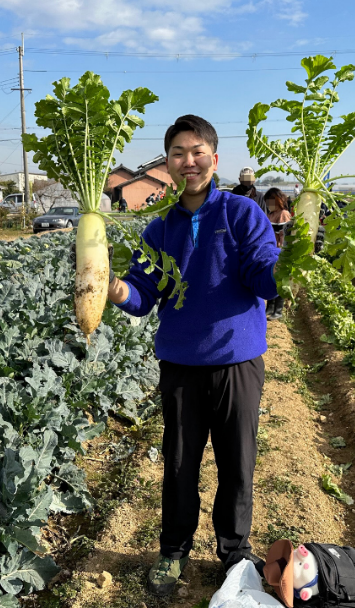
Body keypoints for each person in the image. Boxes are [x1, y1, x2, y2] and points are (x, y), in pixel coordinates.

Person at [107, 115, 279, 596]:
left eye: (197, 151)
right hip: (181, 363)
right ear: (167, 164)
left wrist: (289, 265)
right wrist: (114, 287)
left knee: (236, 461)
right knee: (180, 461)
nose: (189, 161)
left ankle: (234, 553)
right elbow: (143, 296)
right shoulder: (160, 229)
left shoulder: (242, 215)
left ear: (215, 159)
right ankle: (173, 551)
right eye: (179, 153)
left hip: (237, 361)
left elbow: (262, 276)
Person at [265, 187, 292, 320]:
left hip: (280, 251)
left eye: (270, 202)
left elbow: (286, 236)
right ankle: (270, 308)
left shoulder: (283, 214)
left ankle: (278, 310)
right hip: (271, 250)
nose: (268, 205)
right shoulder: (270, 215)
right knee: (271, 278)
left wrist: (282, 250)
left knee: (280, 280)